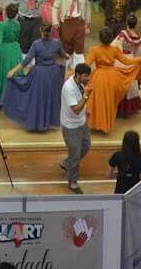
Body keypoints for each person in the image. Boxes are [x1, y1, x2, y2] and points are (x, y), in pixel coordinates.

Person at [1, 28, 66, 132]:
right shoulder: (57, 43)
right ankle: (48, 122)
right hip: (53, 74)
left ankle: (38, 123)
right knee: (50, 97)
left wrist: (13, 71)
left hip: (39, 74)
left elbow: (26, 61)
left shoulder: (36, 44)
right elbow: (64, 55)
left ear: (40, 31)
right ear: (51, 32)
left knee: (38, 98)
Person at [84, 26, 141, 132]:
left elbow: (86, 65)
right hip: (112, 77)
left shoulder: (94, 50)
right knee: (109, 102)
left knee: (96, 101)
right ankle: (106, 126)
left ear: (100, 38)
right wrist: (139, 59)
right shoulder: (115, 50)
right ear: (111, 39)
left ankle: (95, 124)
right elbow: (126, 61)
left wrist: (74, 72)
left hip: (98, 77)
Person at [59, 62, 92, 194]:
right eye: (85, 76)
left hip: (81, 122)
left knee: (86, 145)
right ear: (77, 75)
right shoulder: (69, 88)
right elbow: (76, 110)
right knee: (75, 155)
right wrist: (86, 96)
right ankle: (73, 182)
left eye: (89, 76)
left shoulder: (80, 83)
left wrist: (86, 110)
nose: (87, 79)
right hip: (70, 126)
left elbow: (81, 108)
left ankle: (67, 163)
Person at [107, 130, 141, 195]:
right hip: (135, 193)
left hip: (119, 192)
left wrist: (121, 174)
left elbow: (108, 175)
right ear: (137, 143)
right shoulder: (140, 160)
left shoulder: (116, 156)